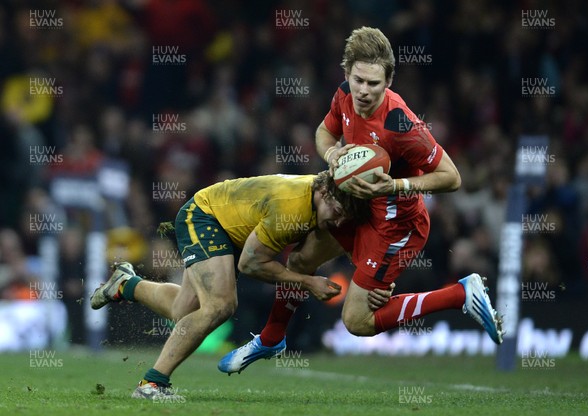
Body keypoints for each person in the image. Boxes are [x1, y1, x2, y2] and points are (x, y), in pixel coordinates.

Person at [218, 26, 503, 375]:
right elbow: (324, 132)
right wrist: (332, 156)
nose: (364, 91)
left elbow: (452, 178)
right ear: (346, 74)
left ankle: (460, 294)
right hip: (357, 207)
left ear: (388, 81)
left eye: (374, 83)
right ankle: (271, 338)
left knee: (357, 321)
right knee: (301, 259)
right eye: (358, 80)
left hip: (396, 224)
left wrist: (394, 186)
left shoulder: (401, 124)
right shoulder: (342, 95)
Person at [90, 171, 371, 400]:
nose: (339, 219)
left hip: (229, 227)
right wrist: (307, 281)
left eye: (344, 215)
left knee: (182, 310)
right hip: (204, 217)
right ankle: (151, 384)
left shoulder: (317, 199)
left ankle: (125, 284)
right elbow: (250, 265)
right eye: (337, 210)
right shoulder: (292, 207)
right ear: (323, 193)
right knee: (220, 305)